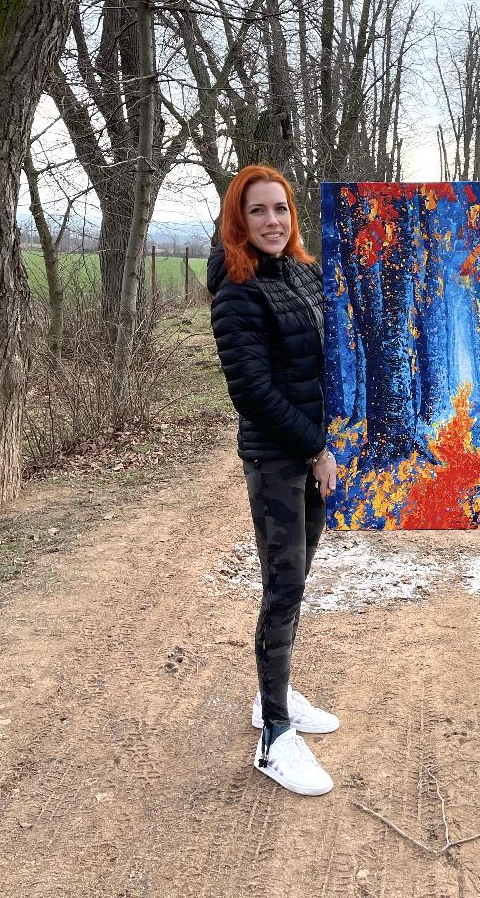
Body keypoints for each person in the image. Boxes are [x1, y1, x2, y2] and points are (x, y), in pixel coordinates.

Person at [207, 164, 339, 797]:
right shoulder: (237, 292)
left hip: (314, 457)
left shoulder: (303, 275)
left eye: (280, 208)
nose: (272, 221)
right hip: (277, 461)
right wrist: (315, 448)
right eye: (257, 210)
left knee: (298, 579)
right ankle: (274, 738)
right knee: (282, 588)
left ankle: (273, 697)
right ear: (238, 219)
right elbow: (252, 393)